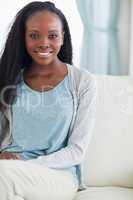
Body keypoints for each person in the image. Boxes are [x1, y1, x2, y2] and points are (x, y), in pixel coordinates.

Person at [0, 1, 97, 200]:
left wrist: (24, 165)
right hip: (9, 168)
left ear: (62, 37)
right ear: (24, 39)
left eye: (52, 35)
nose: (44, 43)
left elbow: (76, 151)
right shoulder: (9, 79)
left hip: (57, 175)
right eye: (34, 35)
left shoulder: (82, 82)